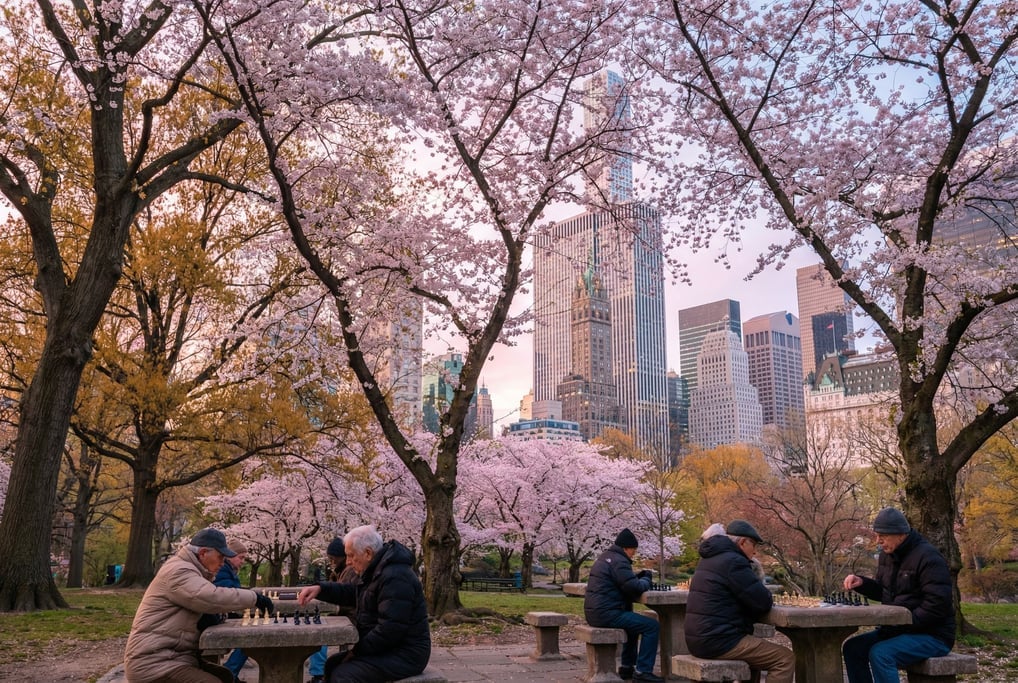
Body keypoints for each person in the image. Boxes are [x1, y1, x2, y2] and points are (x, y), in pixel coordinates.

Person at [124, 528, 274, 683]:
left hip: (176, 657)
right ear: (203, 553)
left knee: (227, 677)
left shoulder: (192, 571)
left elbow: (206, 604)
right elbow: (210, 597)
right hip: (154, 664)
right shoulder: (179, 570)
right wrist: (255, 598)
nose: (223, 563)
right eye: (220, 557)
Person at [297, 525, 430, 682]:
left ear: (367, 553)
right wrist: (320, 589)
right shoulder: (377, 570)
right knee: (333, 664)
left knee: (344, 675)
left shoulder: (395, 577)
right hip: (391, 648)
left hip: (406, 653)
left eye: (351, 556)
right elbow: (354, 593)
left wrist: (357, 652)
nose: (348, 562)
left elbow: (390, 630)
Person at [842, 507, 955, 683]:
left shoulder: (928, 557)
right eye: (877, 535)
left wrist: (904, 623)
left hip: (933, 636)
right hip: (898, 629)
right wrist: (862, 583)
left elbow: (937, 605)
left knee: (881, 654)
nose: (878, 541)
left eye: (883, 536)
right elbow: (884, 592)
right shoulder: (887, 556)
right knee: (853, 648)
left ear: (901, 534)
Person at [684, 520, 794, 683]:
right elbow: (763, 602)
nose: (755, 552)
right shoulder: (734, 561)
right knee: (784, 659)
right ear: (742, 542)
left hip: (699, 637)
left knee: (756, 656)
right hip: (718, 640)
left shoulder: (709, 558)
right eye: (754, 545)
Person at [583, 528, 662, 682]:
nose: (634, 553)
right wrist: (646, 579)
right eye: (633, 550)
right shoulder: (620, 561)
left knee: (633, 625)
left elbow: (625, 582)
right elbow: (635, 588)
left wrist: (639, 577)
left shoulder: (607, 558)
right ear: (626, 548)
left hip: (597, 612)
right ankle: (643, 672)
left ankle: (627, 667)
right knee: (652, 626)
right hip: (607, 614)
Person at [308, 536, 362, 683]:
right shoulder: (341, 571)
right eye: (329, 558)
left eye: (334, 558)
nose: (331, 562)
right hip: (347, 614)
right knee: (318, 624)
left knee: (320, 629)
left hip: (352, 617)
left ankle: (318, 673)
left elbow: (348, 596)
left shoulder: (350, 571)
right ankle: (318, 672)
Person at [212, 539, 250, 683]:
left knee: (250, 635)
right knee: (249, 638)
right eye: (241, 557)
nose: (243, 561)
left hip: (225, 614)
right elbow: (229, 593)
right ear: (230, 556)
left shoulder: (229, 570)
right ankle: (229, 672)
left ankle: (231, 672)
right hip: (220, 616)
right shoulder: (223, 571)